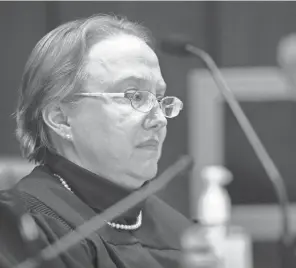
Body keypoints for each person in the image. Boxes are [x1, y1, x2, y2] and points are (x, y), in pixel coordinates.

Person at [9, 14, 191, 268]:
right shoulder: (23, 228)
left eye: (159, 98)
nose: (159, 119)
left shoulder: (179, 230)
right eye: (134, 96)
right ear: (61, 118)